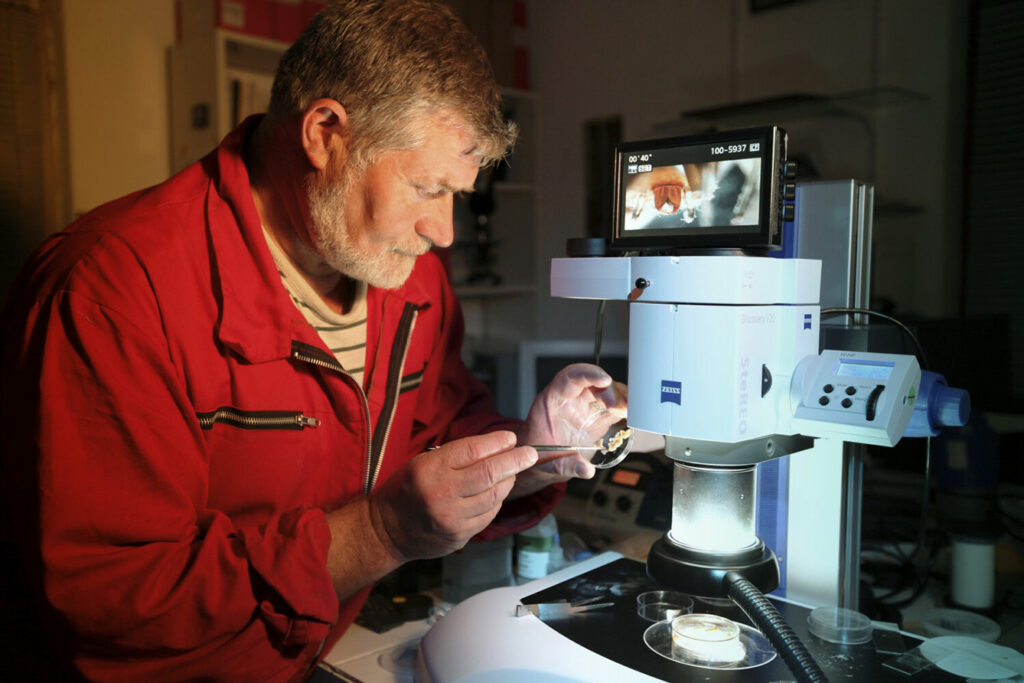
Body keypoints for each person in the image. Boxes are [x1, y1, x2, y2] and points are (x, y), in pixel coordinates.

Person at [0, 1, 624, 680]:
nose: (443, 232)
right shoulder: (111, 295)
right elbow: (117, 600)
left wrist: (532, 452)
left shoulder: (410, 281)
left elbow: (438, 427)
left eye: (456, 195)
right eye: (424, 187)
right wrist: (379, 533)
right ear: (325, 132)